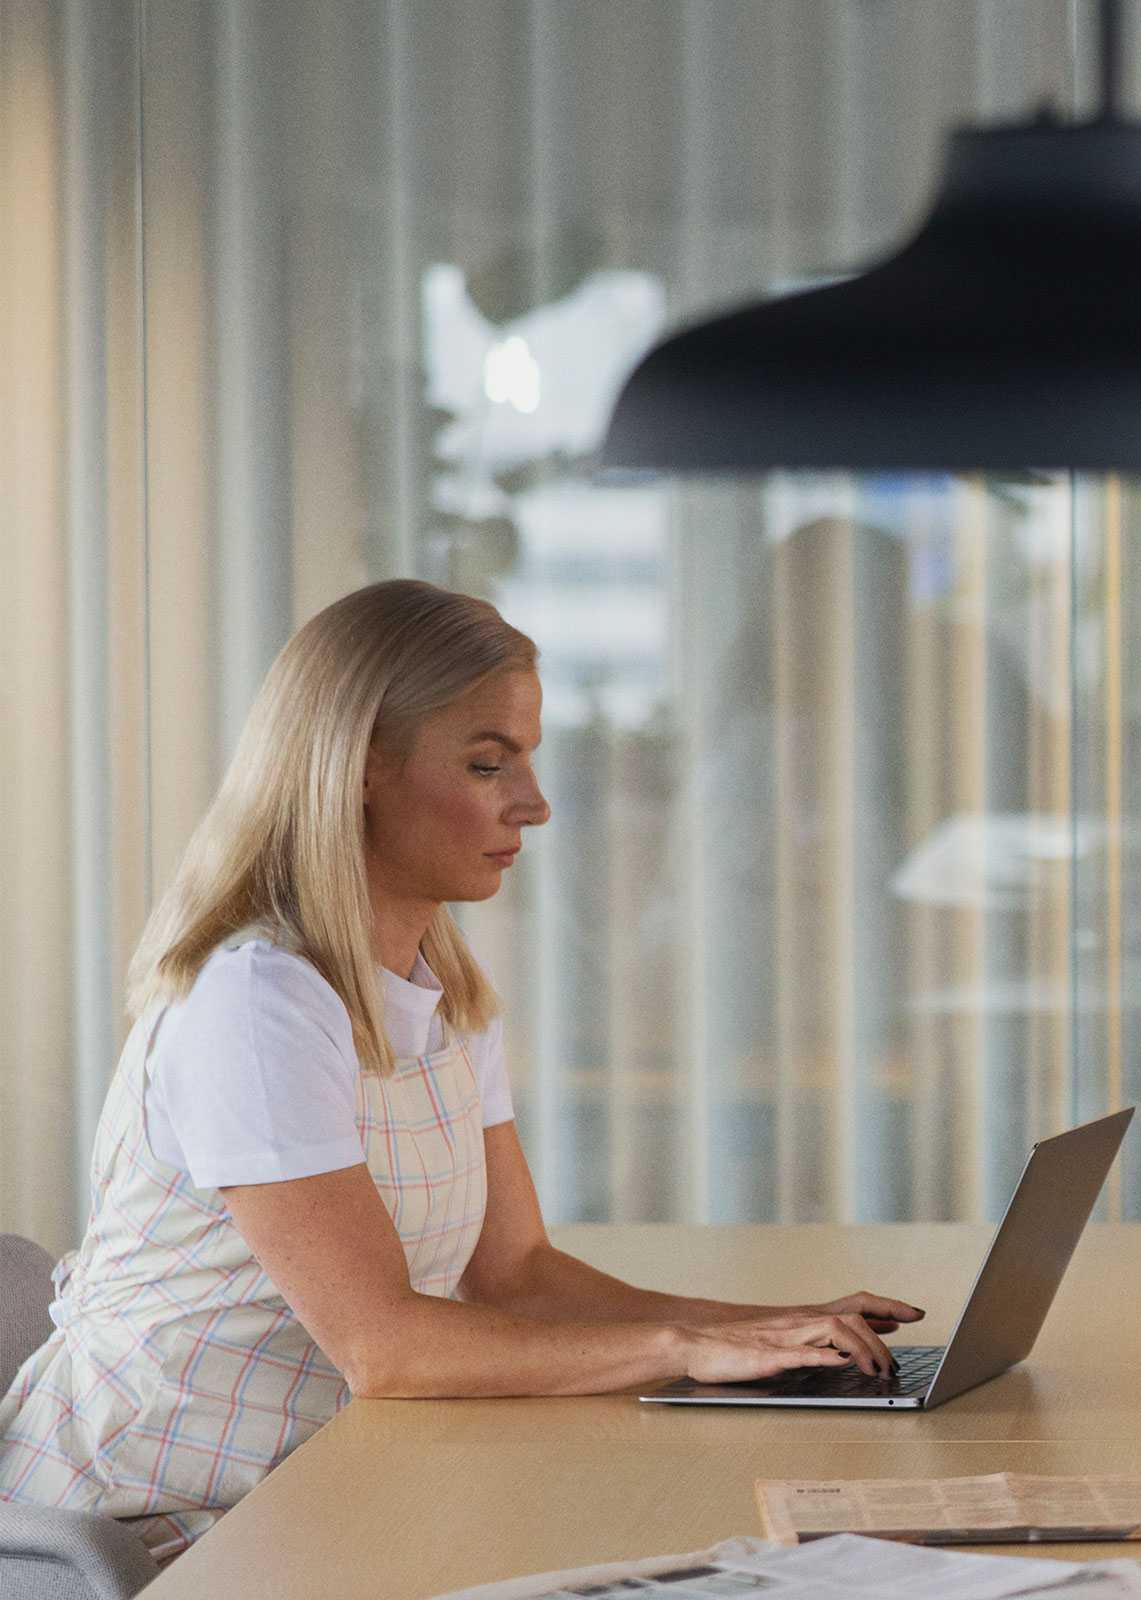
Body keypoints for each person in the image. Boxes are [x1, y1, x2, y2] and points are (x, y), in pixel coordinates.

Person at [0, 580, 918, 1564]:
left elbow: (514, 1275)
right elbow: (383, 1347)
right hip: (165, 1522)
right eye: (488, 763)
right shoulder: (257, 1001)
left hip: (337, 1484)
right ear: (358, 768)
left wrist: (778, 1333)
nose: (535, 802)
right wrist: (680, 1350)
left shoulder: (439, 987)